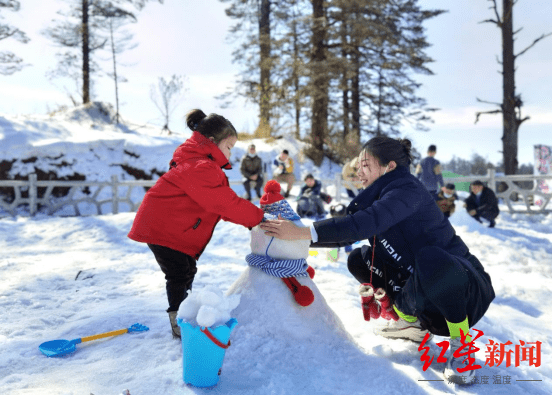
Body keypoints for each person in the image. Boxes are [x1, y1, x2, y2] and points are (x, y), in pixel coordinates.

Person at [260, 136, 495, 385]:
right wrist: (300, 238)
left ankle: (462, 343)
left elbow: (364, 223)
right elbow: (358, 235)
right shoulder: (380, 196)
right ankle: (412, 324)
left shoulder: (407, 190)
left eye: (365, 165)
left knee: (431, 259)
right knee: (358, 259)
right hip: (422, 292)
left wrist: (303, 233)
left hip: (465, 290)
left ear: (389, 167)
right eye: (358, 166)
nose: (358, 172)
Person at [128, 109, 264, 339]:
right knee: (179, 274)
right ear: (212, 142)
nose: (230, 155)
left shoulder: (199, 163)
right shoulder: (200, 167)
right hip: (164, 228)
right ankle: (180, 323)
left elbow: (220, 205)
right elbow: (225, 203)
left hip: (171, 228)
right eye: (229, 148)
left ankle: (186, 315)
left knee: (186, 270)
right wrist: (258, 218)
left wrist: (250, 221)